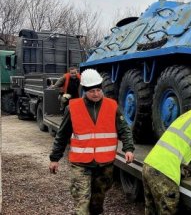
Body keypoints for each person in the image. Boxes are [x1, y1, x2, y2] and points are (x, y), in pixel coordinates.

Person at [49, 68, 135, 215]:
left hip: (104, 164)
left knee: (97, 204)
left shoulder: (112, 106)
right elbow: (62, 135)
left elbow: (124, 129)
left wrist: (128, 148)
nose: (96, 94)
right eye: (91, 91)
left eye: (98, 90)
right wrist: (54, 158)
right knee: (82, 204)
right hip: (80, 164)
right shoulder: (73, 108)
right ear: (84, 90)